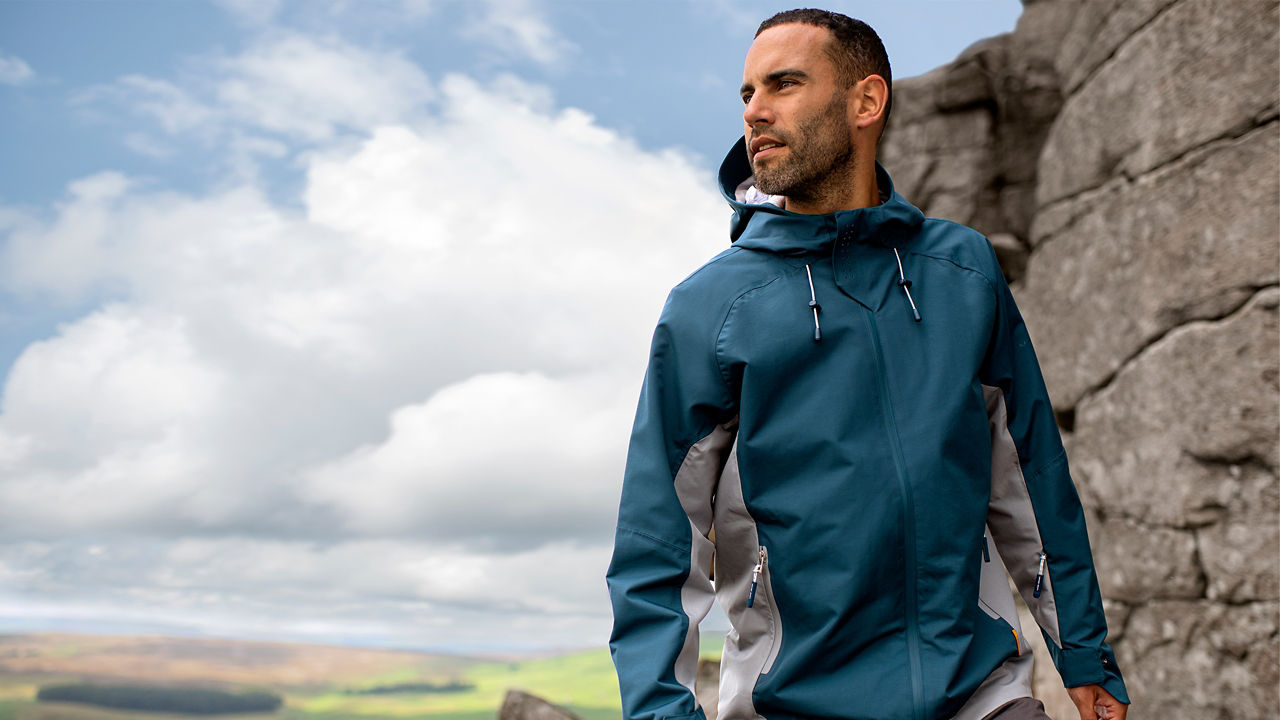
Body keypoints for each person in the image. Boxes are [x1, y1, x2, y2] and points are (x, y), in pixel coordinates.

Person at [605, 9, 1131, 720]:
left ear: (866, 101)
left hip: (981, 693)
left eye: (783, 84)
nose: (755, 111)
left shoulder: (962, 269)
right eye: (747, 93)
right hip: (792, 700)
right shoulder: (711, 304)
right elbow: (659, 537)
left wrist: (1083, 652)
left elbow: (1030, 477)